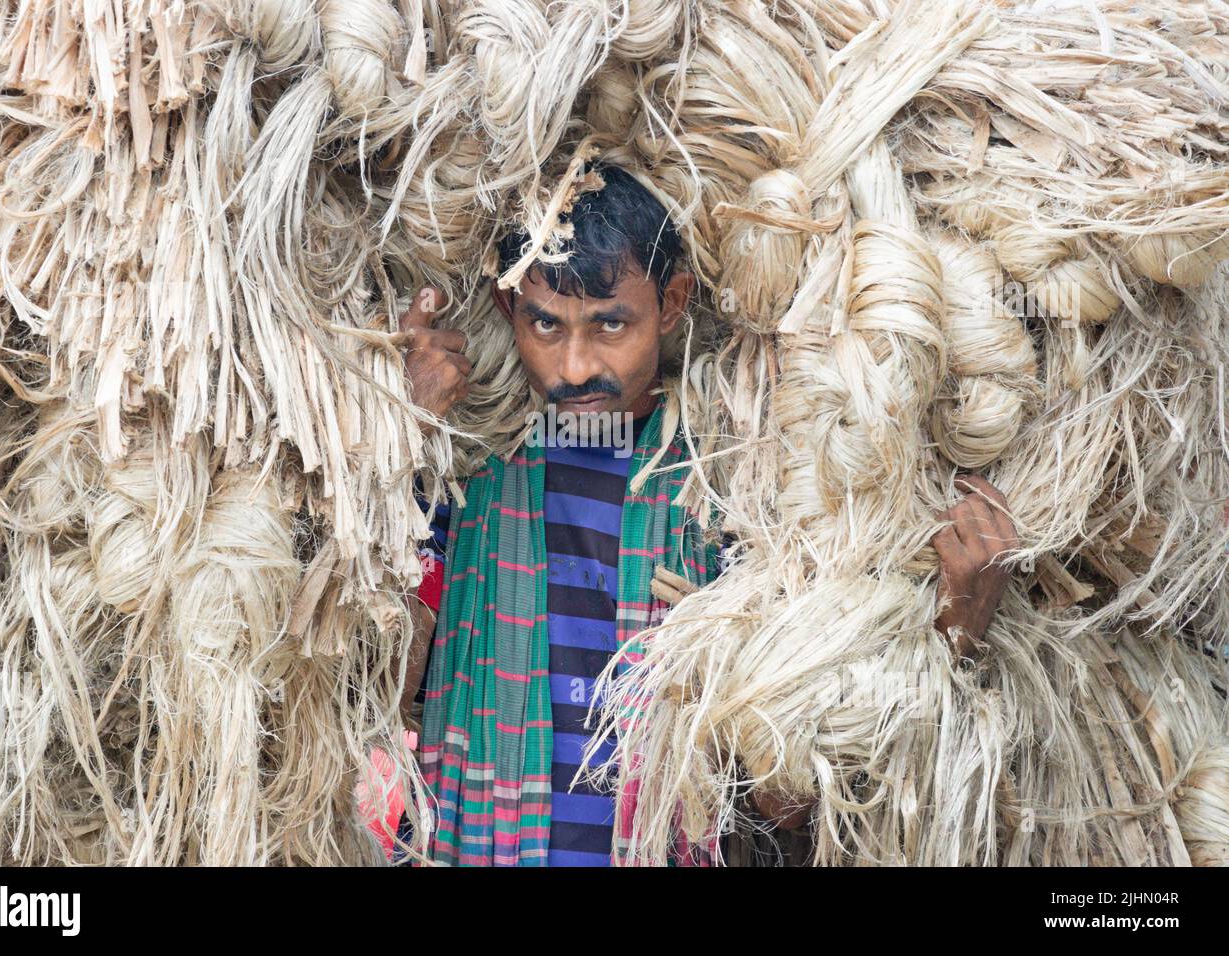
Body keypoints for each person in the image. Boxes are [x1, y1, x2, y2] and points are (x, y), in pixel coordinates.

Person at [395, 164, 1019, 866]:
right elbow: (379, 683)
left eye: (610, 324)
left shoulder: (730, 486)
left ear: (672, 303)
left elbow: (781, 794)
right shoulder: (468, 475)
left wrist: (953, 626)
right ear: (509, 310)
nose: (572, 367)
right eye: (545, 323)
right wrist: (397, 442)